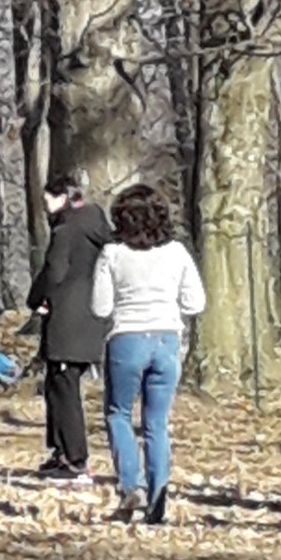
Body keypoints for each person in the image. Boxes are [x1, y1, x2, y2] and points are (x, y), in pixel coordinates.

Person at [91, 183, 205, 524]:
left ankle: (132, 486)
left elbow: (100, 308)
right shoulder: (177, 253)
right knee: (157, 423)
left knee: (119, 415)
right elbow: (195, 303)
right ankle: (159, 499)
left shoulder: (112, 254)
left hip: (126, 338)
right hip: (167, 339)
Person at [27, 175, 113, 483]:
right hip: (89, 319)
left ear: (62, 197)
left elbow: (54, 270)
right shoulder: (96, 227)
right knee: (57, 385)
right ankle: (60, 451)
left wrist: (35, 299)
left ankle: (75, 460)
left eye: (49, 199)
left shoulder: (67, 230)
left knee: (64, 391)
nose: (46, 206)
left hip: (67, 322)